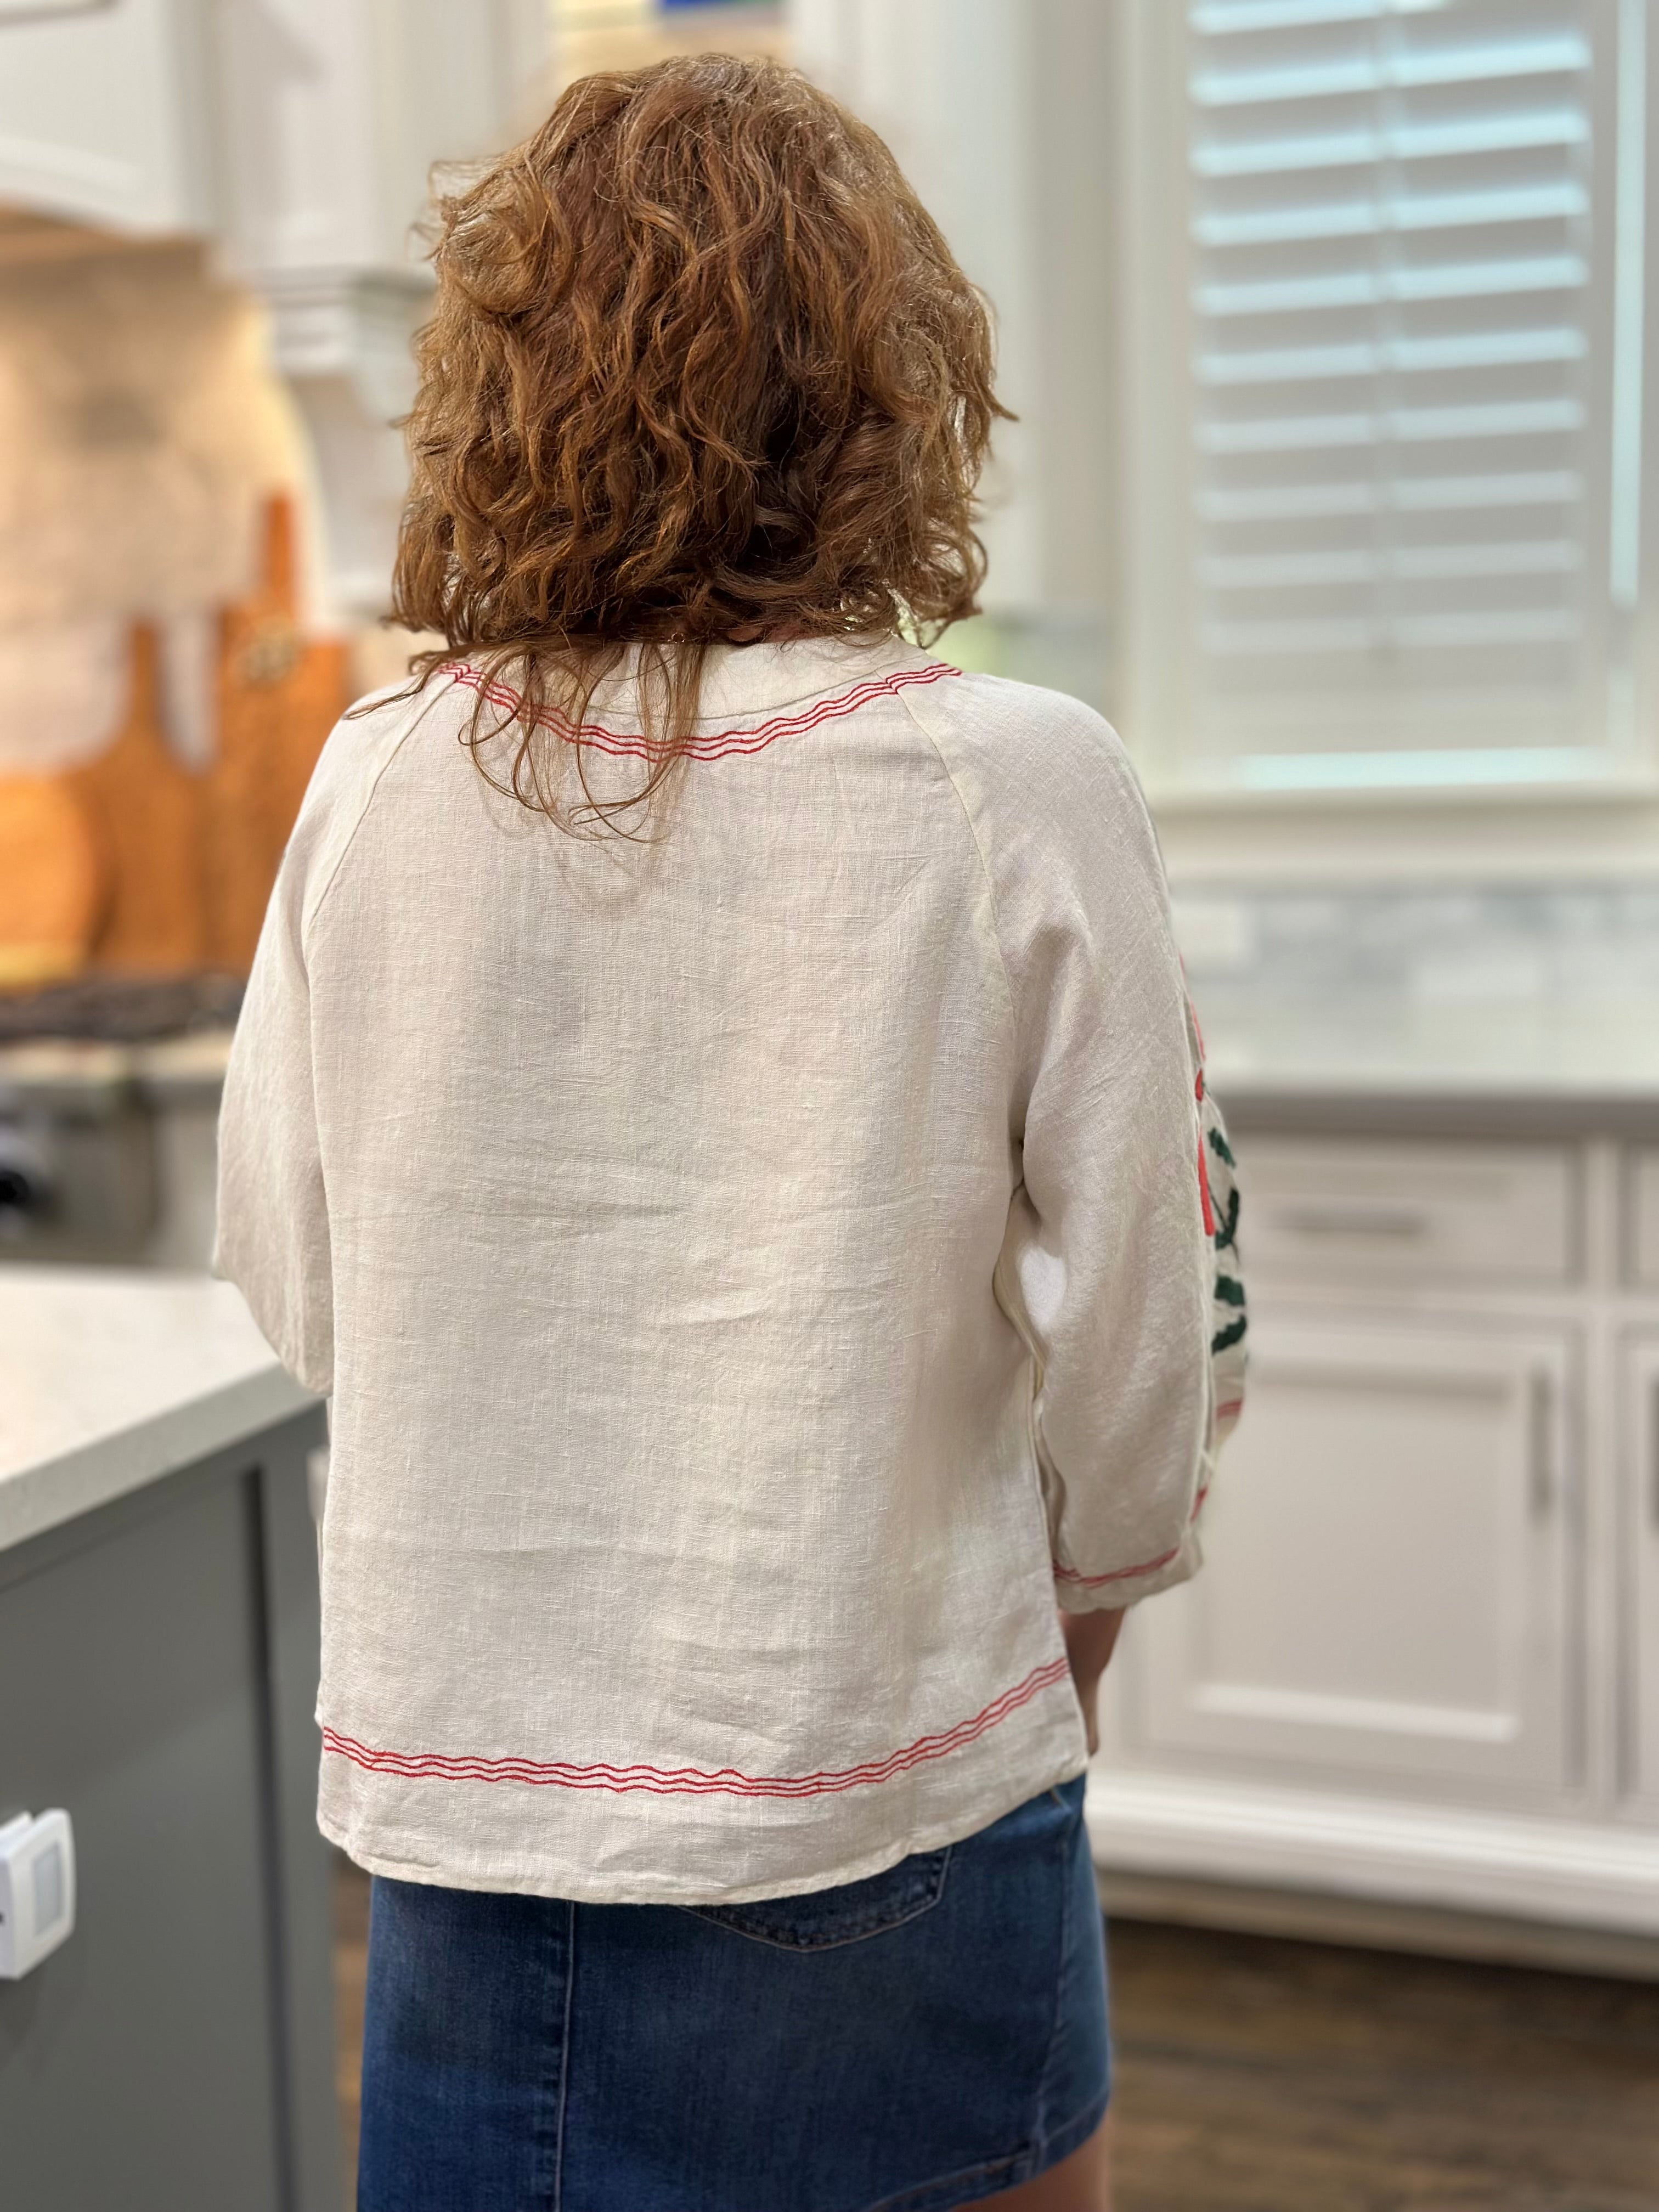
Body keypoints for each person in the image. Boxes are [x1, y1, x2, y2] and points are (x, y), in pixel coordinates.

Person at [216, 52, 1245, 2212]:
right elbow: (1154, 1361)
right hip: (891, 1787)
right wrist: (1057, 1649)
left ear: (499, 392)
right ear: (883, 392)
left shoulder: (374, 779)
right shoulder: (1011, 782)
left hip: (469, 1830)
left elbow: (304, 1289)